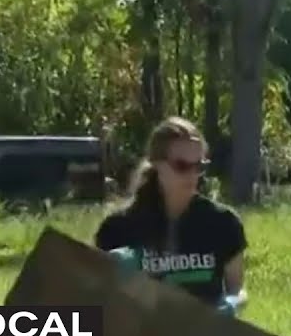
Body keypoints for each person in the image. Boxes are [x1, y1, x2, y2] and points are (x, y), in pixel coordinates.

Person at [94, 116, 247, 314]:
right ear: (157, 164)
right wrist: (110, 272)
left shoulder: (224, 223)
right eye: (182, 166)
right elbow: (95, 298)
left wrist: (232, 303)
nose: (192, 176)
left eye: (199, 167)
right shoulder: (117, 228)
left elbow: (238, 288)